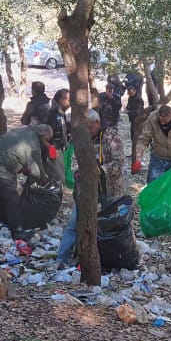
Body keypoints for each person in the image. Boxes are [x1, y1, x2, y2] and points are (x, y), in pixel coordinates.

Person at [57, 109, 125, 266]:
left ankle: (113, 258)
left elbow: (119, 162)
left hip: (109, 187)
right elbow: (75, 161)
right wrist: (79, 173)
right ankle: (61, 257)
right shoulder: (81, 137)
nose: (88, 130)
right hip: (86, 188)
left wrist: (100, 170)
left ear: (97, 123)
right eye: (85, 127)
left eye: (90, 127)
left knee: (111, 224)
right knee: (74, 223)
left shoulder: (110, 136)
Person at [0, 124, 57, 252]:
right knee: (12, 199)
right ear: (42, 136)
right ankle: (18, 231)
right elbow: (37, 172)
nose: (47, 143)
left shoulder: (23, 131)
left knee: (2, 194)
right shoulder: (34, 144)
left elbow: (19, 154)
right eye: (47, 140)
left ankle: (4, 221)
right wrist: (45, 179)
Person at [132, 104, 171, 198]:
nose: (163, 124)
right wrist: (138, 158)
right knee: (153, 185)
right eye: (160, 121)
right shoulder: (152, 118)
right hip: (158, 158)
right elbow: (144, 139)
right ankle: (154, 210)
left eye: (165, 121)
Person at [125, 82, 145, 154]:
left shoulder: (138, 99)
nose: (130, 95)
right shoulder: (130, 98)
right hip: (132, 119)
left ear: (135, 91)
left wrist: (129, 111)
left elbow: (139, 111)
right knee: (132, 136)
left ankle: (137, 152)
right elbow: (128, 106)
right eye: (129, 93)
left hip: (137, 120)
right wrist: (127, 109)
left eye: (131, 93)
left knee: (137, 137)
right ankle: (134, 151)